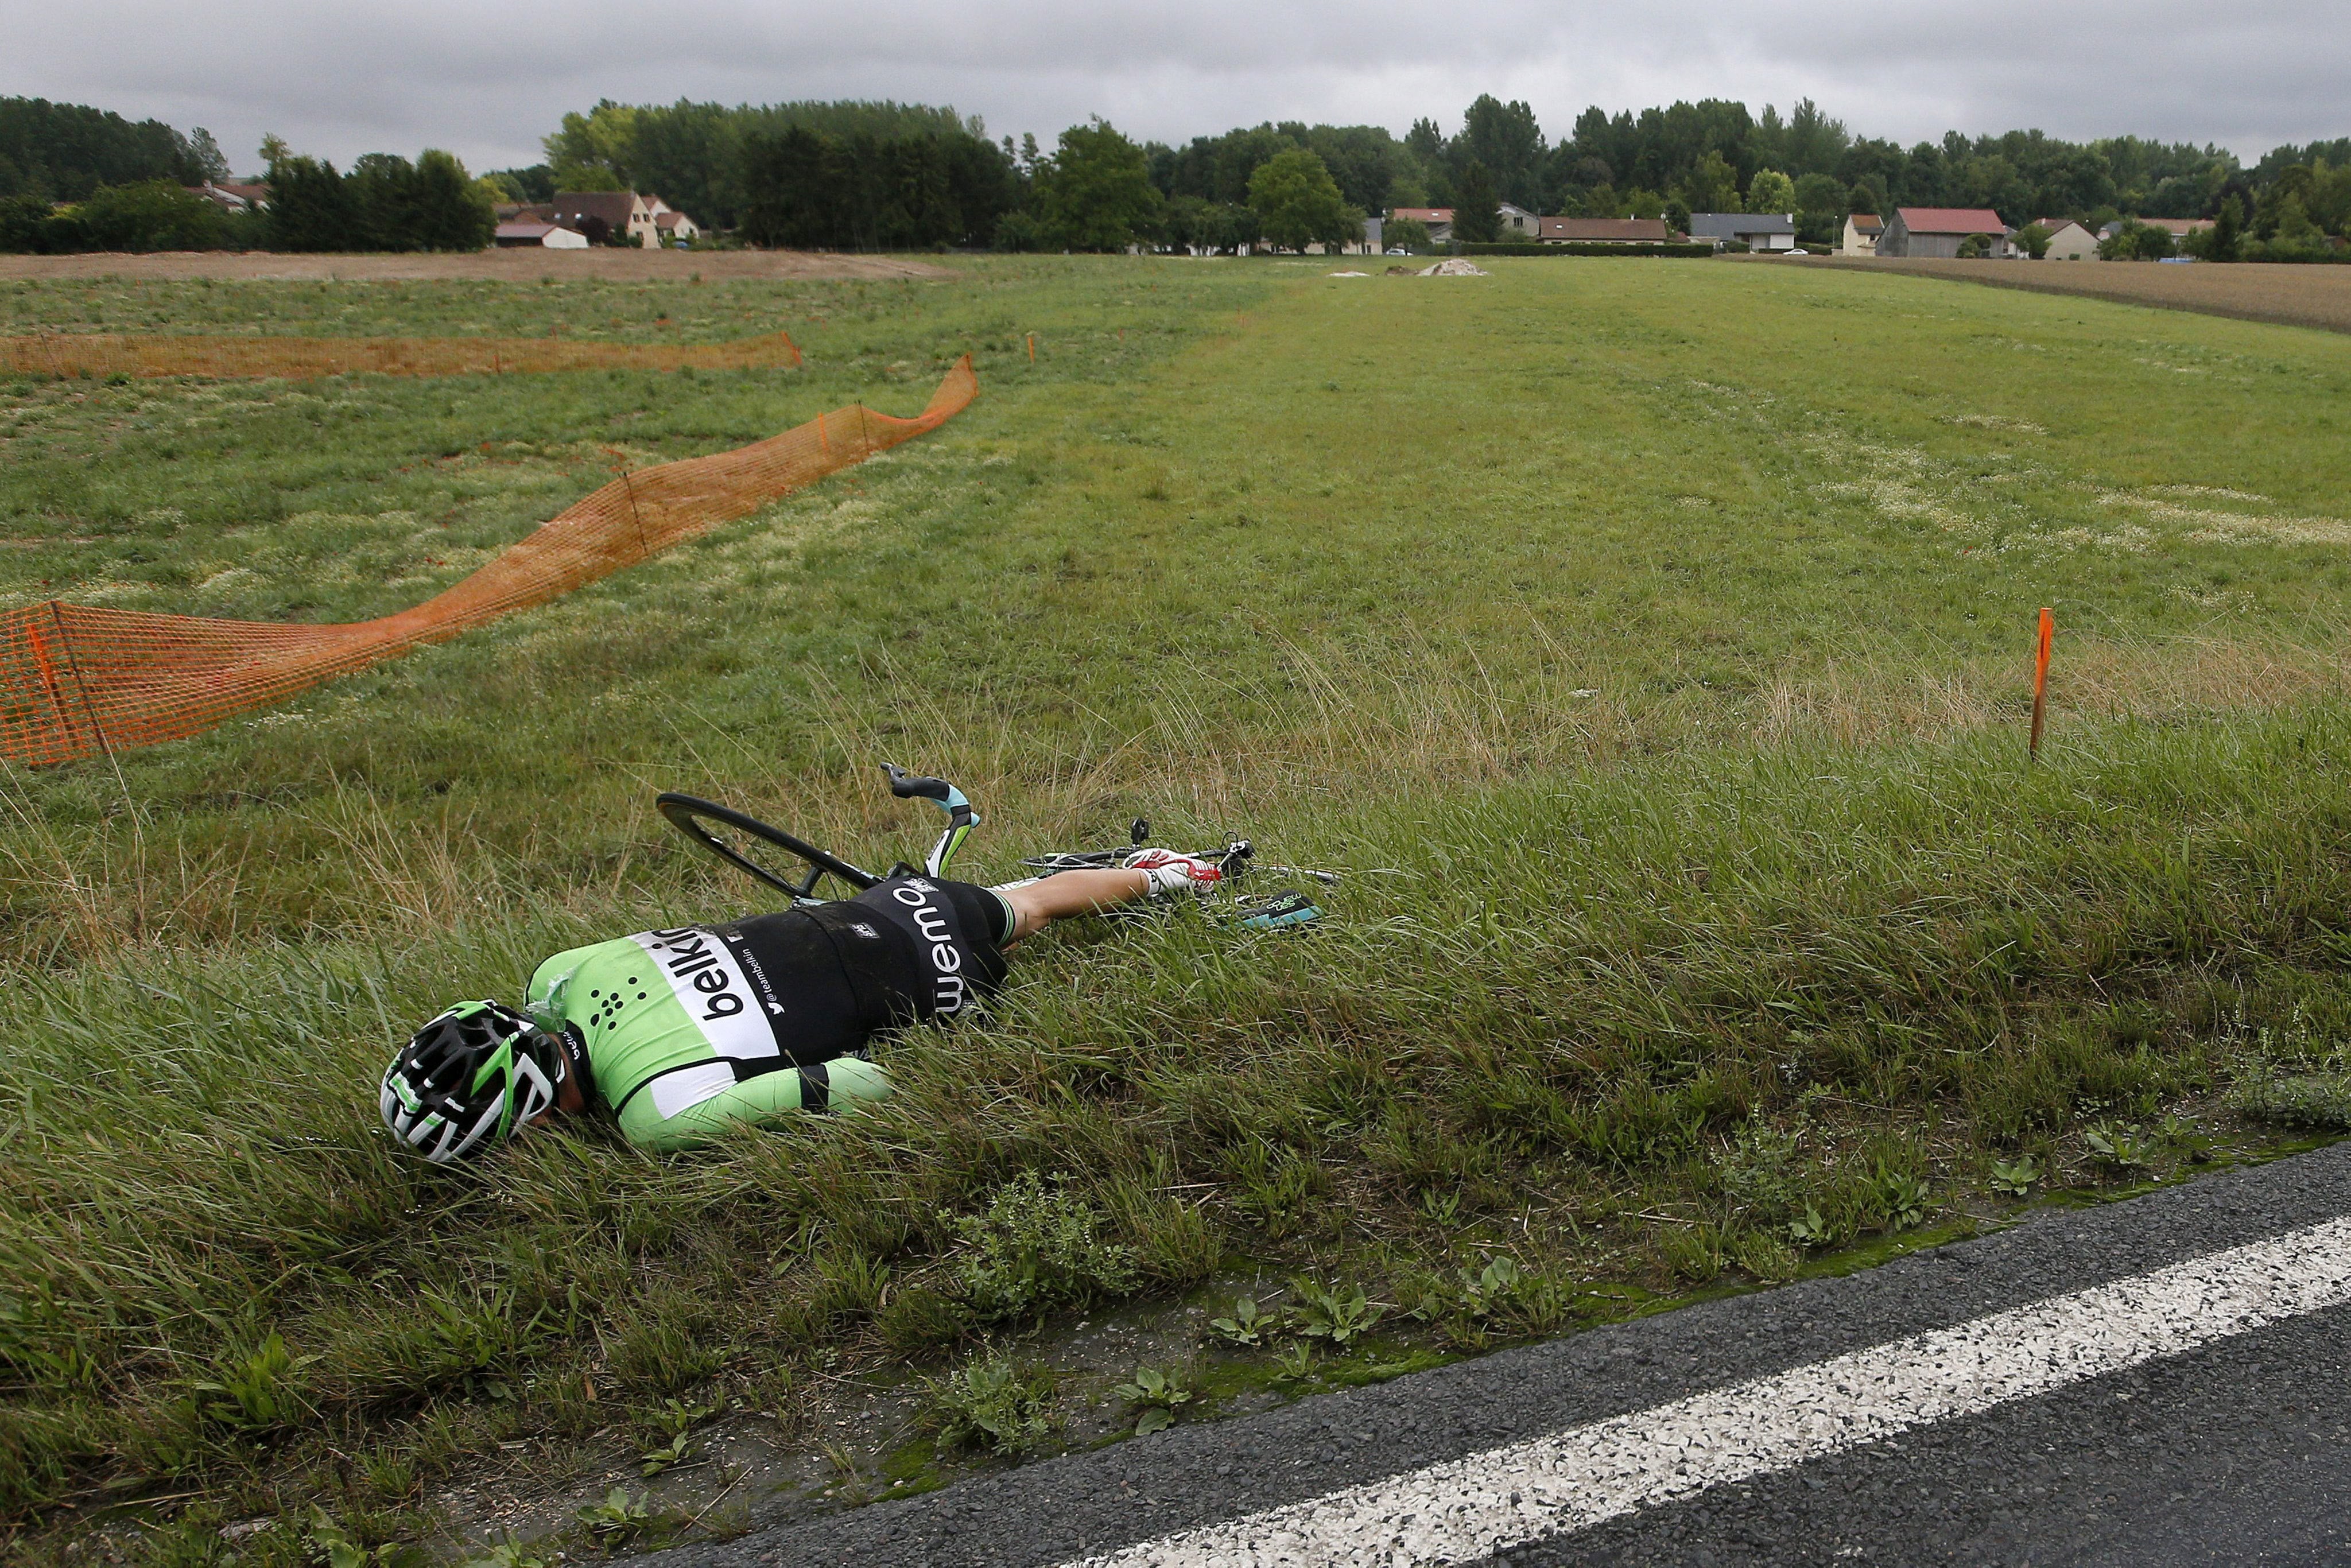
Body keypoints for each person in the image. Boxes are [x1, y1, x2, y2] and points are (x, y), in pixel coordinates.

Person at [379, 849, 1224, 1161]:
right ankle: (1166, 873)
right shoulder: (564, 972)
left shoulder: (657, 1113)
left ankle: (1148, 883)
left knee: (1007, 929)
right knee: (1022, 903)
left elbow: (865, 1086)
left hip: (933, 979)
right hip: (891, 906)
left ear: (528, 1119)